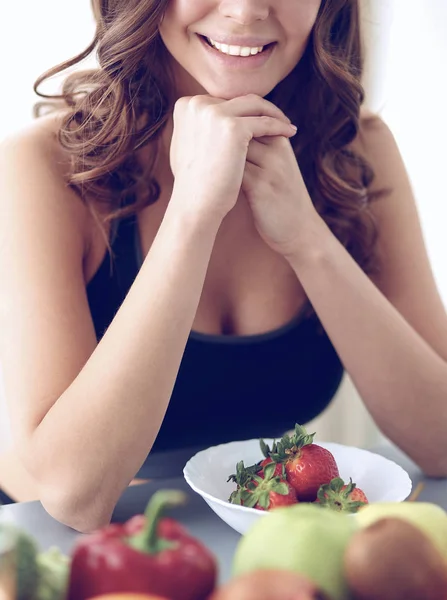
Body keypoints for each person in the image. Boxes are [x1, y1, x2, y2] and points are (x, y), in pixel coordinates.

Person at [0, 0, 446, 531]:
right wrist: (193, 213)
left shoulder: (359, 152)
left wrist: (307, 240)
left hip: (253, 551)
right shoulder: (44, 166)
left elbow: (440, 442)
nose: (244, 10)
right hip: (61, 550)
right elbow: (73, 496)